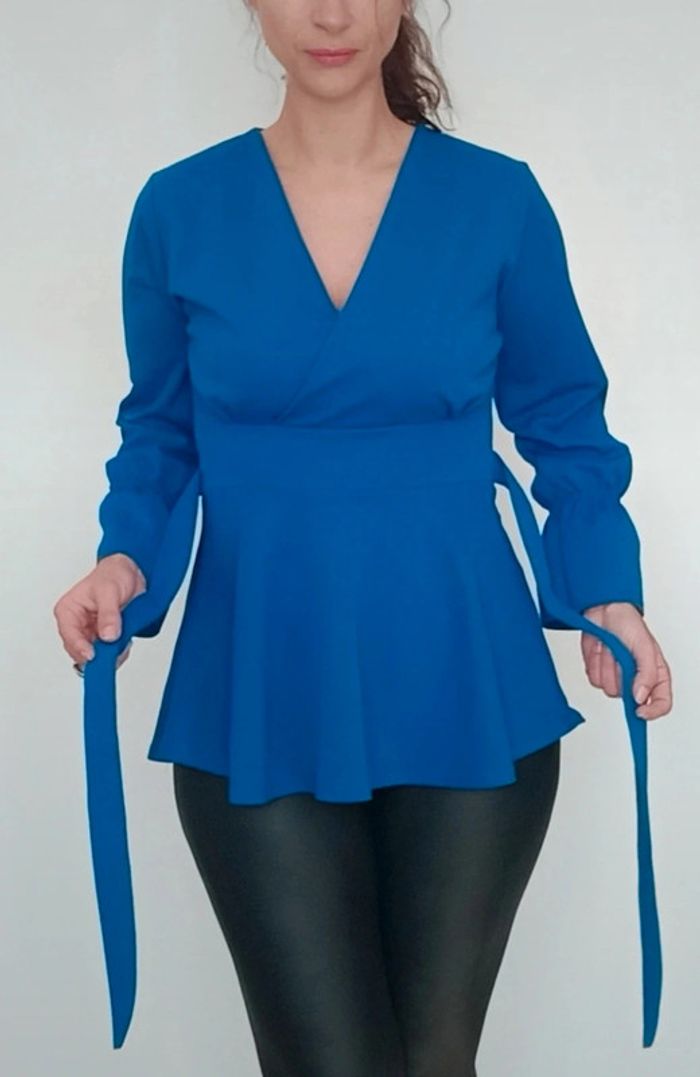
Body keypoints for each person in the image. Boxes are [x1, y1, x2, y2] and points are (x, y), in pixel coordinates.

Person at [53, 1, 673, 1072]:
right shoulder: (179, 208)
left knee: (431, 1063)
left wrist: (605, 587)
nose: (331, 13)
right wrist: (124, 557)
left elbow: (565, 424)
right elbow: (159, 432)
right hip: (258, 682)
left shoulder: (498, 201)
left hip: (464, 681)